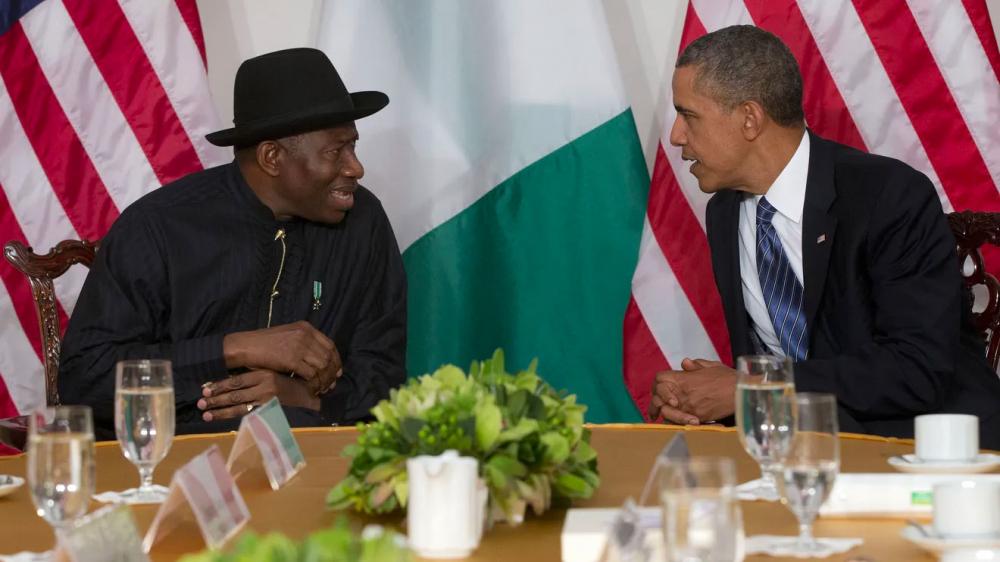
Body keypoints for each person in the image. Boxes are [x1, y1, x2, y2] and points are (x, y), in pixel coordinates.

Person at [648, 25, 1000, 448]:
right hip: (805, 448)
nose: (676, 136)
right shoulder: (724, 212)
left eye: (688, 115)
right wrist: (701, 395)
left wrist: (754, 386)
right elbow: (775, 366)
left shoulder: (888, 197)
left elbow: (917, 369)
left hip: (930, 447)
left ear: (749, 119)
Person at [59, 48, 407, 438]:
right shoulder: (158, 227)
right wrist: (235, 348)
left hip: (318, 458)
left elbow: (385, 376)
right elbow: (85, 378)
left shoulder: (363, 222)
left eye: (353, 146)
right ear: (272, 157)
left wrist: (302, 398)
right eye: (335, 151)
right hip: (175, 459)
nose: (355, 167)